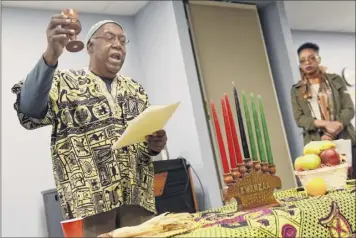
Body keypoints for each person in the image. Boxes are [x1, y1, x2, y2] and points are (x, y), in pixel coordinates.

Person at [11, 15, 167, 236]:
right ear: (90, 46)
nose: (118, 45)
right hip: (90, 206)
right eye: (110, 38)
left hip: (137, 201)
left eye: (123, 41)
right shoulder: (64, 83)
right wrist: (50, 57)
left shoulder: (135, 90)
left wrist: (155, 145)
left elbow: (143, 143)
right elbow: (30, 110)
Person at [291, 42, 356, 177]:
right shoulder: (296, 90)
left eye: (311, 58)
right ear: (300, 65)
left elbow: (349, 109)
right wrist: (326, 124)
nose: (307, 62)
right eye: (302, 61)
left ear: (319, 59)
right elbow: (300, 119)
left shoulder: (336, 80)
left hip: (345, 137)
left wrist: (332, 132)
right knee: (330, 184)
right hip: (316, 143)